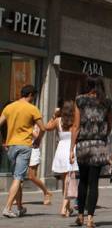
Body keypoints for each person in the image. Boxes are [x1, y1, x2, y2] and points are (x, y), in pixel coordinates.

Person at [71, 76, 112, 228]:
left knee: (82, 180)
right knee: (94, 182)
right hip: (99, 145)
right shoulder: (106, 102)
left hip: (83, 144)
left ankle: (80, 216)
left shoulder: (80, 100)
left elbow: (76, 125)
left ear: (86, 85)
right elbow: (109, 125)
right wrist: (102, 138)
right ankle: (90, 219)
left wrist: (71, 148)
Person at [0, 84, 46, 219]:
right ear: (31, 95)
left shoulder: (9, 107)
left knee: (16, 177)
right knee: (19, 177)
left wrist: (4, 140)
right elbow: (42, 128)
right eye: (34, 96)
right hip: (24, 146)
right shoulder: (32, 109)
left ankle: (19, 207)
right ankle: (8, 208)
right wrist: (37, 140)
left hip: (11, 146)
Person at [48, 102, 77, 217]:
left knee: (65, 179)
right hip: (71, 149)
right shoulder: (75, 120)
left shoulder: (58, 120)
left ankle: (68, 208)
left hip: (61, 150)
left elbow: (46, 127)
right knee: (68, 180)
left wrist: (54, 115)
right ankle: (64, 208)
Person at [27, 124, 53, 205]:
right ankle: (16, 199)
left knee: (31, 176)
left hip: (33, 150)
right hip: (23, 149)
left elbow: (38, 136)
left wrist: (27, 129)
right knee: (18, 176)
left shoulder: (36, 124)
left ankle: (46, 192)